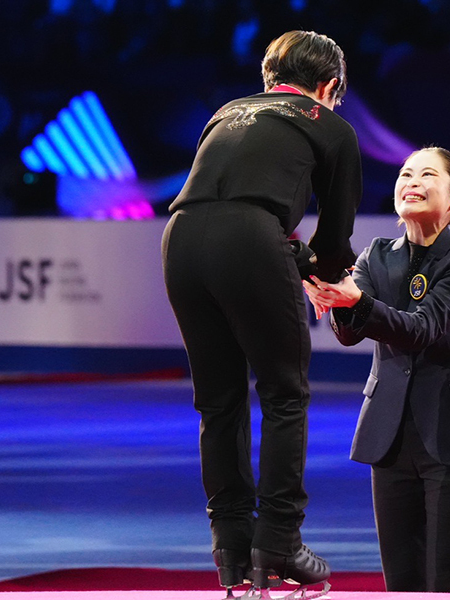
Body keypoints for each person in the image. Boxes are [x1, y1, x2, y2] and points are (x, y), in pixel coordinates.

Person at [161, 30, 361, 595]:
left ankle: (229, 547)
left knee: (218, 400)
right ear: (328, 87)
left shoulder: (226, 112)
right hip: (249, 238)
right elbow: (336, 239)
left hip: (179, 238)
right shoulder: (332, 127)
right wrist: (317, 274)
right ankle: (280, 541)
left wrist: (291, 259)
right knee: (283, 392)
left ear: (270, 79)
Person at [303, 147, 450, 593]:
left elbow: (423, 328)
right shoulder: (377, 255)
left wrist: (356, 301)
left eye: (427, 175)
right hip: (390, 436)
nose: (411, 182)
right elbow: (349, 334)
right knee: (402, 583)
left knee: (448, 580)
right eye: (405, 174)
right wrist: (334, 298)